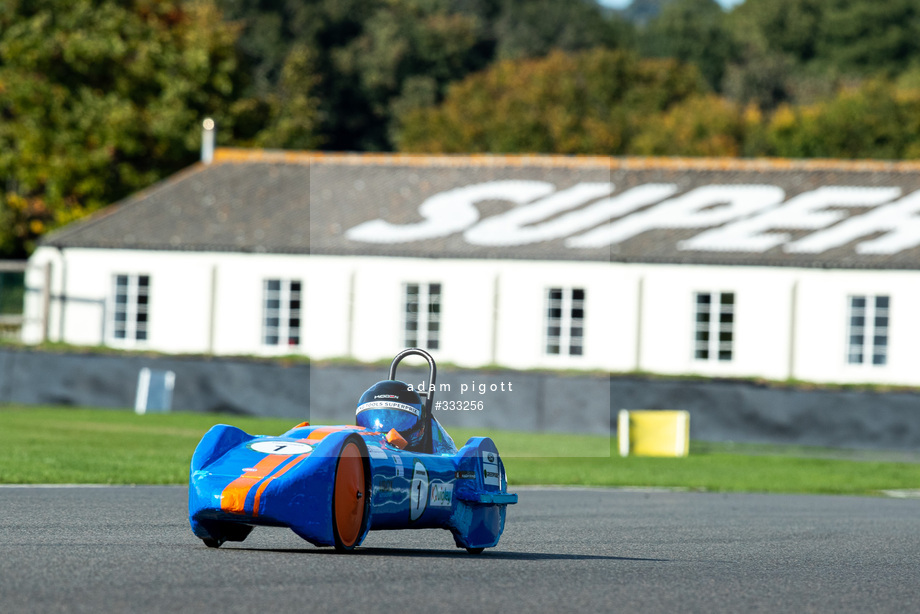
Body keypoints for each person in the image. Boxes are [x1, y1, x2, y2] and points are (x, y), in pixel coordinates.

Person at [356, 380, 456, 454]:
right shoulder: (357, 448)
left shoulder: (443, 453)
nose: (384, 434)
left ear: (422, 429)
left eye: (401, 420)